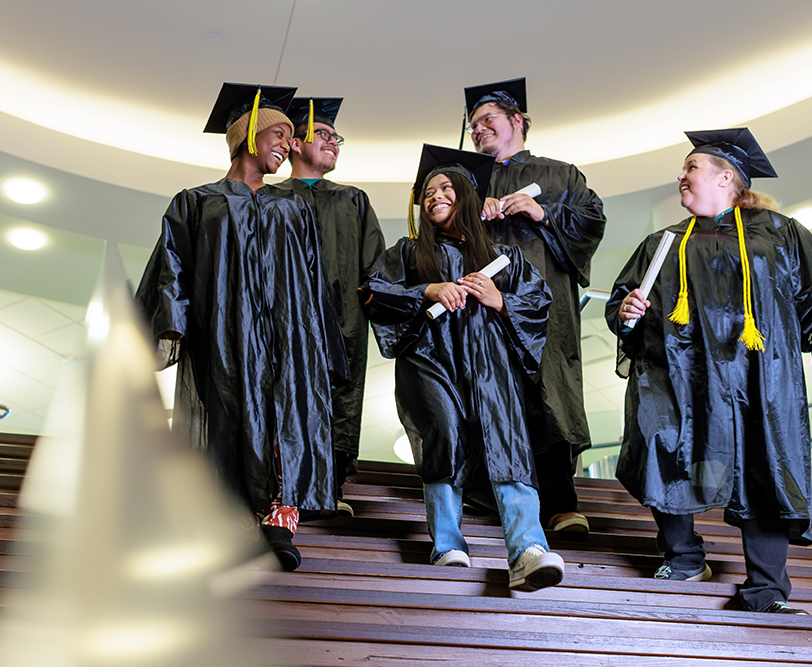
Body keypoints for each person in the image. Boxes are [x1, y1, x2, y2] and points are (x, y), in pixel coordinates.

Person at [605, 128, 812, 614]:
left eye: (690, 168)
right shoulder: (662, 243)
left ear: (726, 177)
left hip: (757, 374)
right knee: (659, 439)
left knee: (764, 462)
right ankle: (684, 556)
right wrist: (627, 313)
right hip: (678, 376)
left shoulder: (779, 231)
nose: (680, 176)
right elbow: (623, 303)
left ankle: (766, 589)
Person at [135, 83, 348, 572]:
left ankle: (278, 525)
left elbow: (314, 281)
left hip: (288, 336)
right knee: (230, 417)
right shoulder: (196, 202)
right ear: (247, 134)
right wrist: (174, 325)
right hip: (224, 331)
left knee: (286, 420)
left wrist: (322, 345)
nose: (288, 145)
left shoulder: (293, 207)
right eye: (279, 134)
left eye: (291, 138)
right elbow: (173, 267)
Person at [363, 144, 564, 591]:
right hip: (430, 361)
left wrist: (500, 300)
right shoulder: (407, 254)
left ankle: (527, 550)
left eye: (446, 187)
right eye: (428, 191)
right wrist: (427, 291)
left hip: (490, 365)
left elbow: (539, 305)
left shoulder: (505, 258)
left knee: (505, 439)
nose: (434, 195)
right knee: (445, 434)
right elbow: (374, 294)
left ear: (468, 197)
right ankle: (447, 544)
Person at [465, 78, 606, 533]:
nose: (478, 129)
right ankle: (490, 502)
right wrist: (468, 210)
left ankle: (562, 504)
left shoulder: (559, 174)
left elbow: (590, 222)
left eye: (487, 119)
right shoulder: (464, 179)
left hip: (545, 309)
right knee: (488, 393)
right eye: (473, 125)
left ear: (518, 121)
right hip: (482, 308)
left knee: (548, 396)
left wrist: (541, 212)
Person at [273, 97, 385, 517]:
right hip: (282, 320)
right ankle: (282, 490)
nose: (333, 142)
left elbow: (376, 266)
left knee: (340, 397)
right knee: (280, 394)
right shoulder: (267, 197)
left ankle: (330, 488)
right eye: (323, 134)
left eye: (337, 138)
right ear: (296, 144)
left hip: (342, 321)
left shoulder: (353, 200)